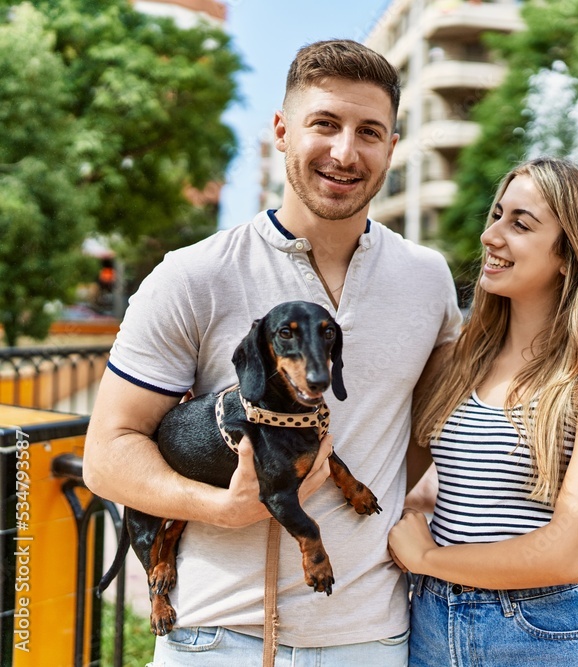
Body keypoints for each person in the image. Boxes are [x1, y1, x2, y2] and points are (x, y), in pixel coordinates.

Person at [83, 39, 461, 665]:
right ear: (282, 131)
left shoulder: (428, 278)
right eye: (324, 124)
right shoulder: (193, 274)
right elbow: (107, 456)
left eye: (369, 131)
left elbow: (424, 427)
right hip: (216, 638)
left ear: (392, 147)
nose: (346, 152)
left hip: (373, 638)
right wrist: (225, 508)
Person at [388, 157, 578, 667]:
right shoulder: (459, 359)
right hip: (430, 624)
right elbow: (387, 480)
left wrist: (426, 558)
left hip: (540, 633)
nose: (490, 236)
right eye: (497, 215)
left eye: (520, 224)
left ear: (571, 255)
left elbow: (569, 553)